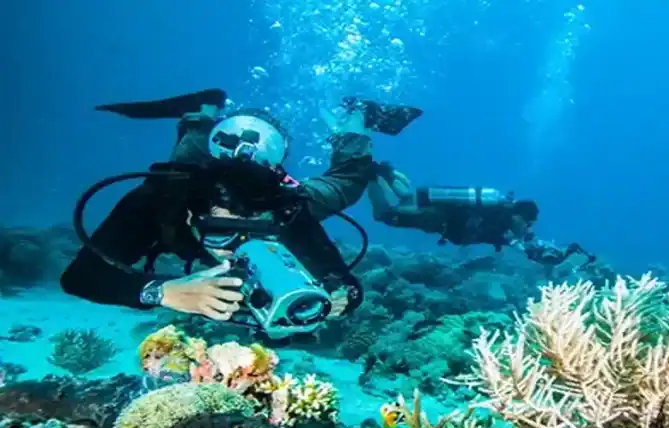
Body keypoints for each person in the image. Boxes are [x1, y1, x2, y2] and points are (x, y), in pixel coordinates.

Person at [61, 90, 419, 322]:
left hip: (284, 192)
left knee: (348, 182)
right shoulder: (159, 200)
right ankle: (203, 110)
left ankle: (356, 118)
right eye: (221, 232)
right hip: (187, 181)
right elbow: (80, 278)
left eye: (252, 231)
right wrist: (163, 291)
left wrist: (342, 296)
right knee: (190, 148)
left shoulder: (287, 209)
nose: (233, 247)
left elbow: (344, 280)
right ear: (191, 214)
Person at [366, 165, 596, 270]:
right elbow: (517, 244)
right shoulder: (499, 216)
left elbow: (525, 248)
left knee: (407, 197)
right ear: (519, 215)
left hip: (436, 219)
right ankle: (369, 175)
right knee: (385, 214)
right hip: (434, 217)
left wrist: (557, 256)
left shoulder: (503, 223)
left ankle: (385, 173)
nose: (526, 228)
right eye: (527, 222)